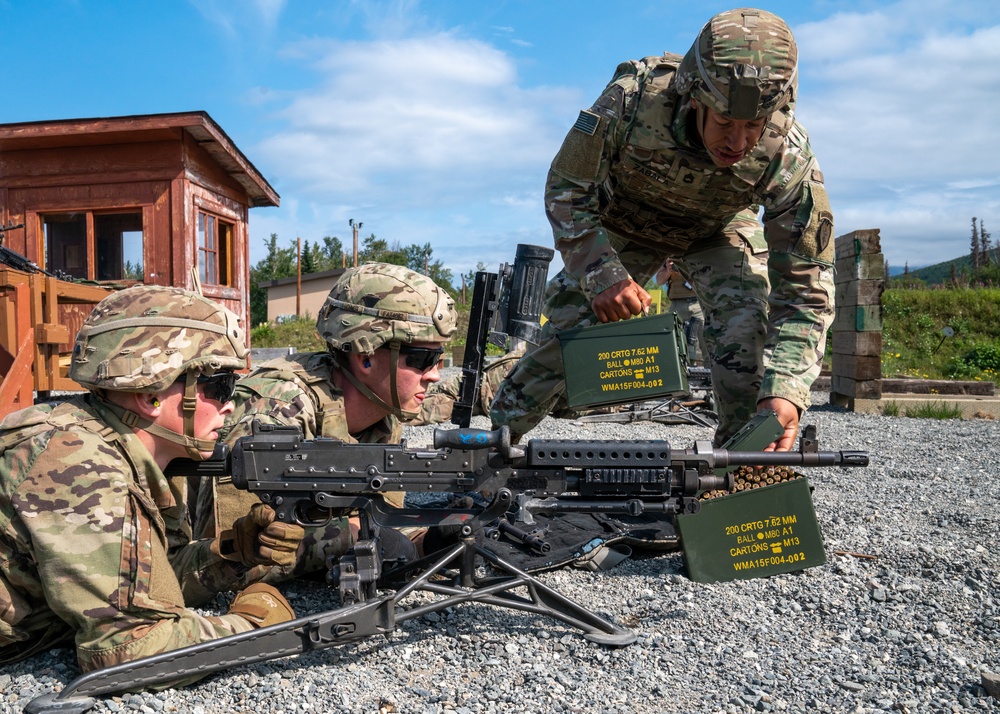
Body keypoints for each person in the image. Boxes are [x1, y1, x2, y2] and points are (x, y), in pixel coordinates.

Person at [491, 8, 835, 451]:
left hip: (719, 227)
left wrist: (786, 388)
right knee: (569, 334)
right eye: (725, 122)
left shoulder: (787, 155)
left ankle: (742, 478)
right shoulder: (631, 100)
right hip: (625, 222)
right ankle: (490, 448)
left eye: (753, 125)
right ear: (695, 96)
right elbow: (567, 189)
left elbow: (807, 288)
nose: (738, 142)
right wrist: (601, 273)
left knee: (746, 333)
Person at [0, 285, 303, 676]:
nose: (231, 403)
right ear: (151, 395)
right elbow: (129, 649)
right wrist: (255, 627)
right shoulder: (79, 464)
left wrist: (232, 553)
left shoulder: (127, 446)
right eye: (219, 386)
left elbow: (139, 582)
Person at [192, 262, 459, 565]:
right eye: (423, 359)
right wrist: (354, 538)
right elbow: (238, 551)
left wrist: (429, 541)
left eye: (439, 359)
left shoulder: (382, 417)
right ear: (366, 357)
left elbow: (379, 520)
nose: (435, 375)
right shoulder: (277, 409)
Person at [656, 259, 709, 367]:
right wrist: (669, 271)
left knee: (706, 342)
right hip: (677, 305)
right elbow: (659, 281)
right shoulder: (669, 259)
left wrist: (686, 270)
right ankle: (684, 373)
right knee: (678, 342)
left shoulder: (697, 256)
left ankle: (710, 373)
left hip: (698, 303)